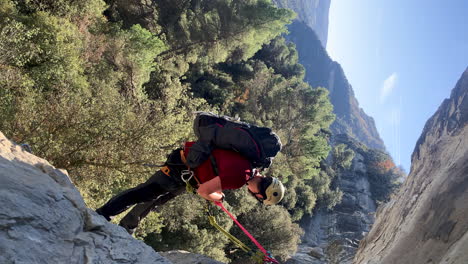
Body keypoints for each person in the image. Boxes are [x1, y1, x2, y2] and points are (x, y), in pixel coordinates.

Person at [96, 141, 285, 234]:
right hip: (180, 170)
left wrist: (215, 194)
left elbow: (213, 176)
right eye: (258, 198)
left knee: (154, 201)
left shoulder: (250, 165)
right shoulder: (240, 177)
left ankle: (126, 228)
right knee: (143, 194)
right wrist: (217, 198)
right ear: (260, 195)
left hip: (186, 174)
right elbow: (205, 191)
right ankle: (103, 214)